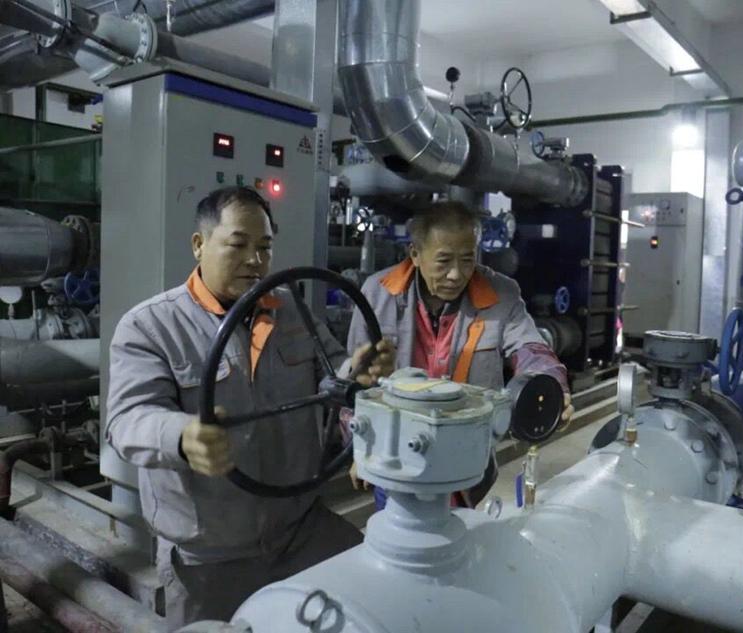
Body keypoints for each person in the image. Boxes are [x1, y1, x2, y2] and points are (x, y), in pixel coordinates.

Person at [105, 186, 394, 627]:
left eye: (265, 247)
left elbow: (332, 373)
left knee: (372, 604)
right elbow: (127, 420)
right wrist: (182, 437)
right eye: (238, 245)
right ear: (199, 245)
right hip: (209, 554)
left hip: (299, 530)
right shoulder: (150, 327)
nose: (255, 260)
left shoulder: (292, 310)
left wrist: (356, 369)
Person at [346, 200, 573, 507]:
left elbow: (530, 348)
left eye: (467, 260)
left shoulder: (501, 295)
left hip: (469, 458)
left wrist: (551, 386)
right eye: (443, 261)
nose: (456, 274)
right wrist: (361, 448)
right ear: (415, 254)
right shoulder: (377, 294)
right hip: (395, 455)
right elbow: (356, 383)